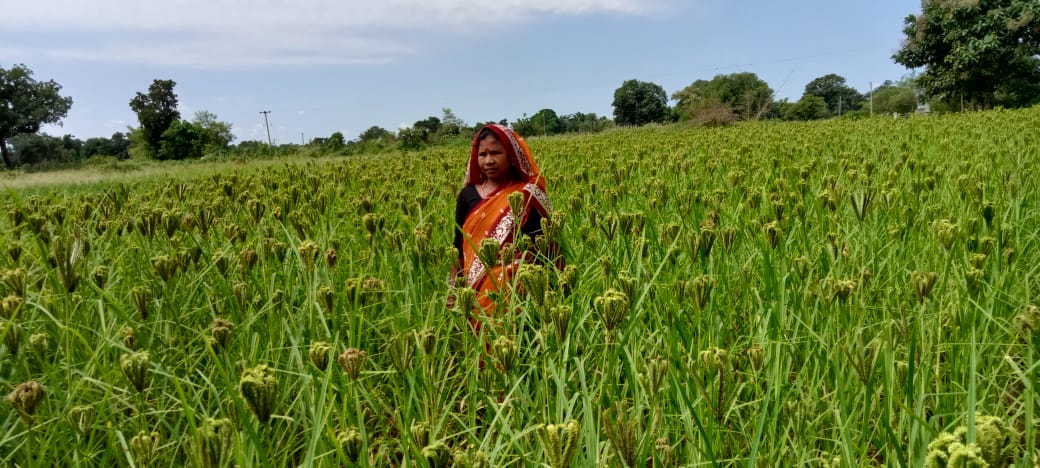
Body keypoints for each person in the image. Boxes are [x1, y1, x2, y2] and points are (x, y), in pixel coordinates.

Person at [449, 124, 555, 326]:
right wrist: (453, 290)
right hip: (473, 291)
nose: (488, 160)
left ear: (512, 155)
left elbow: (544, 247)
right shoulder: (467, 195)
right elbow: (458, 246)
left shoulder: (527, 193)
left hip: (518, 290)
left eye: (496, 153)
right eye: (483, 154)